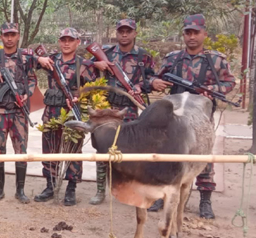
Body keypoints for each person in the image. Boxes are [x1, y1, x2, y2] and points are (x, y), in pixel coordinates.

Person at [150, 14, 235, 219]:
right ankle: (162, 195)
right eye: (188, 32)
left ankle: (205, 200)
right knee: (168, 156)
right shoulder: (173, 58)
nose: (192, 37)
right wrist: (155, 83)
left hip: (201, 119)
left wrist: (210, 90)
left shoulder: (216, 60)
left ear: (205, 34)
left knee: (202, 157)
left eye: (196, 32)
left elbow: (229, 83)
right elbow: (156, 77)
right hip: (175, 118)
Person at [89, 19, 155, 205]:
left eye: (128, 31)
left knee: (130, 149)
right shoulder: (107, 53)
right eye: (121, 31)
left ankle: (129, 189)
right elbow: (85, 66)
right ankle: (100, 190)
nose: (124, 34)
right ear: (116, 33)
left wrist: (141, 87)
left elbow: (152, 78)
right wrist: (96, 65)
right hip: (107, 108)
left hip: (130, 108)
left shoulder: (143, 56)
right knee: (102, 148)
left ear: (135, 33)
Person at [35, 28, 99, 206]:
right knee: (49, 150)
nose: (66, 43)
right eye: (63, 39)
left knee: (73, 150)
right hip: (51, 114)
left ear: (78, 42)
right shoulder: (51, 60)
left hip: (72, 113)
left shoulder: (83, 65)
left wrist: (80, 97)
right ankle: (50, 185)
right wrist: (38, 58)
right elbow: (29, 60)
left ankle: (71, 188)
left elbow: (93, 88)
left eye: (70, 40)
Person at [0, 22, 40, 203]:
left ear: (18, 36)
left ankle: (20, 191)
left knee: (21, 150)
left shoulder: (25, 58)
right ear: (1, 37)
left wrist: (25, 94)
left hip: (19, 112)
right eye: (6, 34)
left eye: (12, 34)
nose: (9, 38)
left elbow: (31, 80)